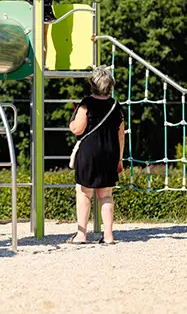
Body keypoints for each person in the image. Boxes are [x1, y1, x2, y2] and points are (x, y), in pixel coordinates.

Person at [67, 65, 125, 244]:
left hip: (89, 154)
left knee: (84, 192)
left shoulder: (86, 103)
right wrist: (120, 159)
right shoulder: (116, 106)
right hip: (110, 153)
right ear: (110, 85)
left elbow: (77, 129)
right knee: (106, 195)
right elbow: (121, 135)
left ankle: (81, 234)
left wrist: (71, 121)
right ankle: (108, 235)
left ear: (92, 84)